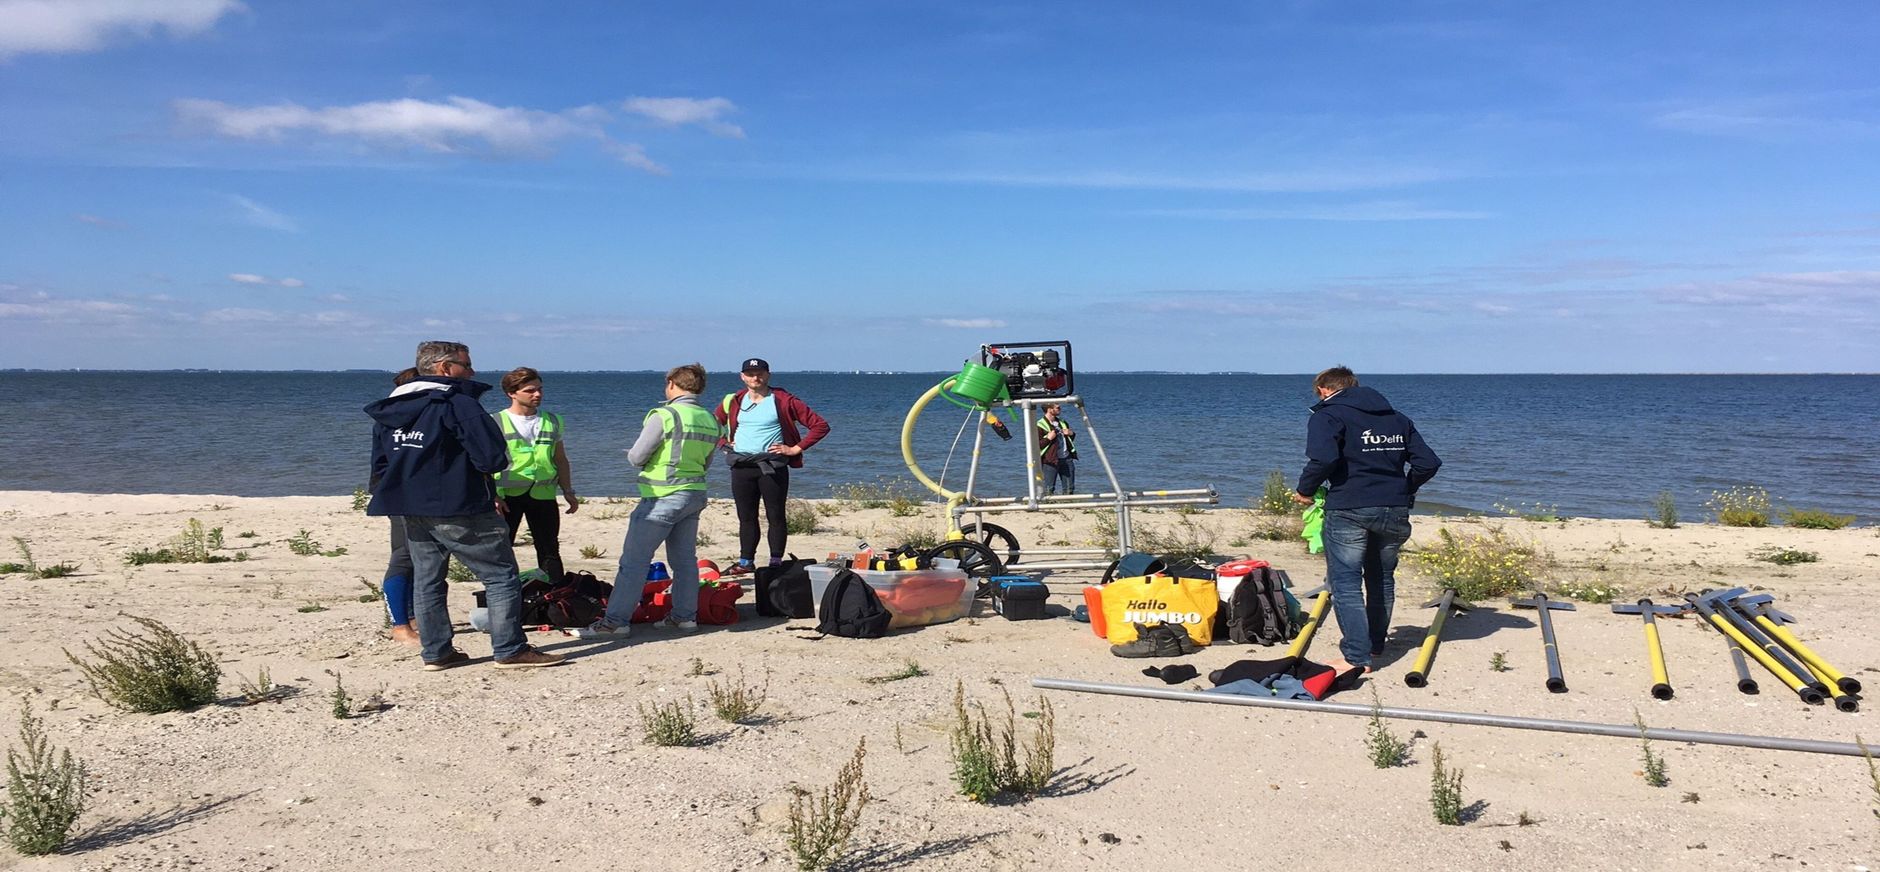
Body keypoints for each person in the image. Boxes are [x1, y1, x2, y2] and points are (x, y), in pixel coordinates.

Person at [365, 340, 565, 671]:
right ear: (445, 368)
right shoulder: (457, 402)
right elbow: (491, 456)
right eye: (466, 365)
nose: (472, 372)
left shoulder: (392, 406)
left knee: (428, 578)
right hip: (458, 503)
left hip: (410, 505)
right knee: (501, 575)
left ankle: (437, 652)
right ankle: (510, 649)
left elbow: (381, 464)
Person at [1292, 366, 1441, 675]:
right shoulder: (1397, 418)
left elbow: (1324, 459)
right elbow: (1427, 463)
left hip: (1349, 507)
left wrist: (1305, 490)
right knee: (1381, 579)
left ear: (1323, 390)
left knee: (1345, 583)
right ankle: (1374, 644)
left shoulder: (1327, 415)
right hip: (1393, 507)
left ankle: (1357, 657)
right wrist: (1405, 487)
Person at [576, 363, 723, 639]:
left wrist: (634, 453)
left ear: (671, 383)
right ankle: (684, 617)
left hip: (662, 496)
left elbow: (637, 457)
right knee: (684, 561)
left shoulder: (665, 415)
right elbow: (705, 461)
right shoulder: (711, 419)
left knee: (634, 561)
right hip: (693, 493)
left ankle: (615, 621)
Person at [712, 358, 830, 575]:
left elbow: (820, 425)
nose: (755, 377)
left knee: (775, 515)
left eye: (760, 373)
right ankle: (746, 562)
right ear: (742, 376)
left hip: (772, 467)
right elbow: (711, 424)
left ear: (768, 375)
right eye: (750, 373)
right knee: (746, 517)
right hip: (741, 466)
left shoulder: (784, 400)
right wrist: (723, 443)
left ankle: (776, 561)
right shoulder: (733, 400)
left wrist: (795, 448)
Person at [492, 367, 580, 580]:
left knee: (549, 549)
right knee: (502, 550)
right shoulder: (494, 422)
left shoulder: (552, 420)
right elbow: (482, 464)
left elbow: (560, 459)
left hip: (543, 495)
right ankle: (505, 599)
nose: (537, 394)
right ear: (512, 393)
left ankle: (555, 599)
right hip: (506, 498)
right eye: (530, 390)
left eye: (539, 389)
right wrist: (491, 495)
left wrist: (568, 490)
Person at [378, 367, 422, 647]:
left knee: (421, 559)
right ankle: (399, 625)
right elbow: (381, 461)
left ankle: (414, 616)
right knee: (403, 557)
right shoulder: (391, 419)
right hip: (403, 495)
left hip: (419, 496)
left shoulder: (421, 416)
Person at [1036, 403, 1077, 495]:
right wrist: (1048, 438)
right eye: (1057, 408)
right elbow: (1036, 445)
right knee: (1049, 488)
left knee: (1069, 488)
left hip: (1066, 458)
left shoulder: (1062, 422)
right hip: (1050, 461)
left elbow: (1069, 440)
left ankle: (1068, 505)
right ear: (1049, 409)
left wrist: (1071, 434)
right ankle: (1048, 506)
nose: (1060, 409)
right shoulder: (1039, 425)